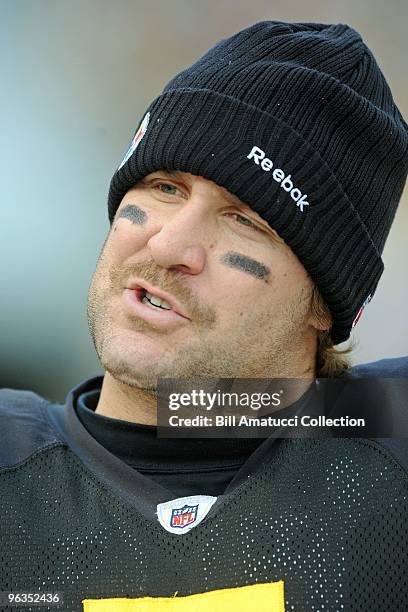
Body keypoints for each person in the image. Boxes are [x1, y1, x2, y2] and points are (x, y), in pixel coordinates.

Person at [1, 20, 407, 612]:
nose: (168, 248)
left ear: (327, 302)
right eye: (164, 186)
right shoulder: (16, 463)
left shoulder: (383, 463)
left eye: (246, 220)